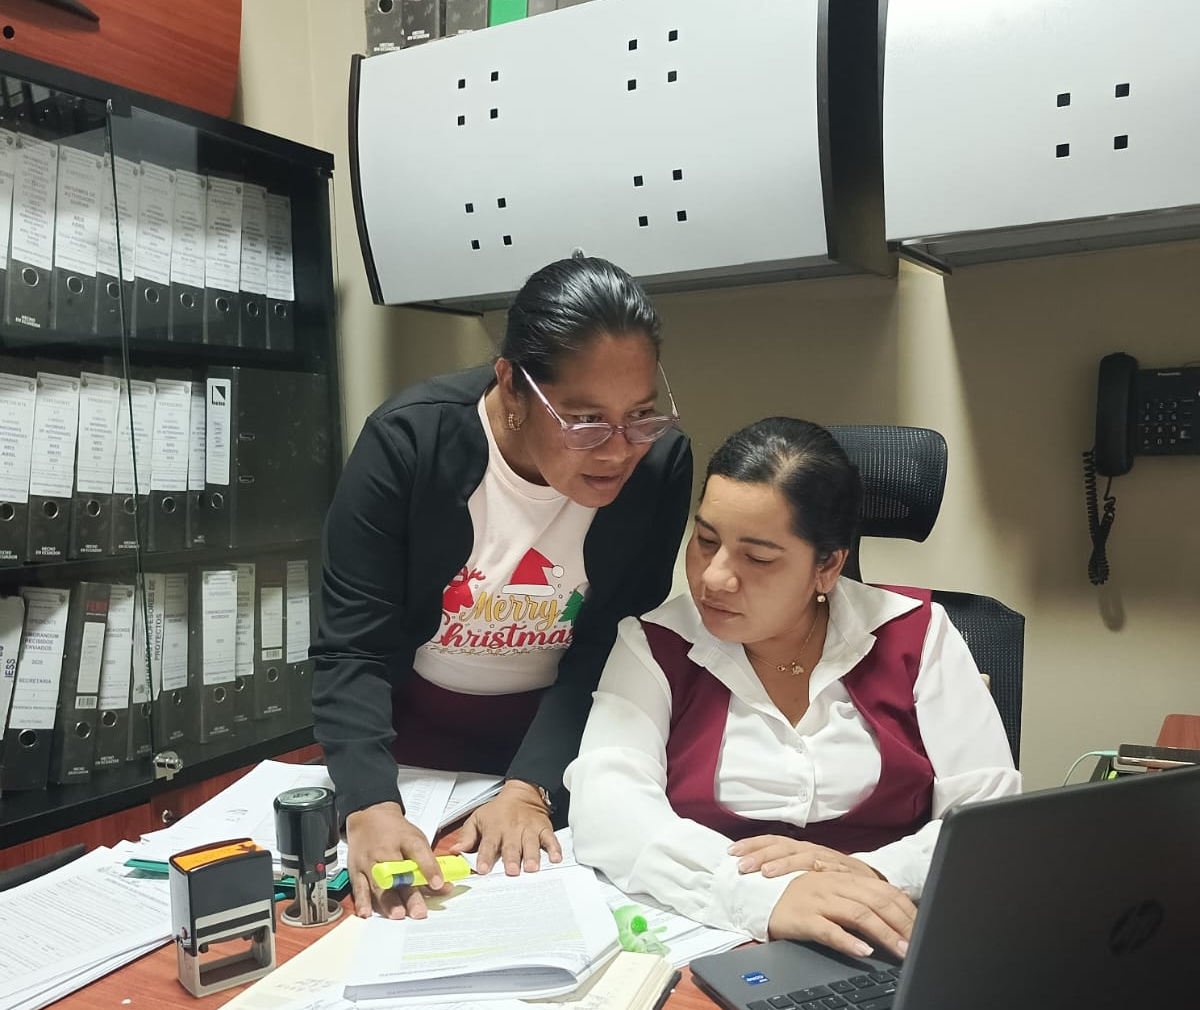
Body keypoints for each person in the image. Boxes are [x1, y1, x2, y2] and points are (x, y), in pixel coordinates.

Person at [313, 256, 692, 920]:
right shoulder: (409, 443)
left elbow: (613, 647)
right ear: (513, 386)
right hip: (406, 753)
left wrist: (531, 786)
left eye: (640, 416)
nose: (618, 451)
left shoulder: (657, 468)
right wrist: (369, 802)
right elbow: (353, 645)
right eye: (585, 421)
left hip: (557, 746)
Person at [565, 417, 1020, 961]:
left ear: (828, 566)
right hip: (720, 940)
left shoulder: (919, 634)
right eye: (705, 540)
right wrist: (766, 896)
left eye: (758, 558)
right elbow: (608, 810)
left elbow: (987, 819)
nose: (714, 578)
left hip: (896, 935)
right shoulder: (654, 643)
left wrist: (869, 874)